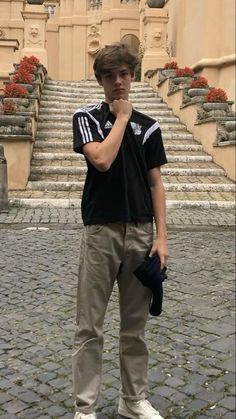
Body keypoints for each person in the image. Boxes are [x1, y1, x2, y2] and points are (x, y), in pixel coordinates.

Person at [72, 42, 169, 419]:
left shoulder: (150, 126)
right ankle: (86, 408)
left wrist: (161, 238)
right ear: (99, 80)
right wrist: (122, 117)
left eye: (125, 74)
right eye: (110, 76)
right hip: (101, 233)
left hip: (142, 233)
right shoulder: (87, 118)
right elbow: (100, 159)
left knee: (135, 328)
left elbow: (156, 184)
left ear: (133, 76)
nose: (118, 82)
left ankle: (133, 400)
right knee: (89, 327)